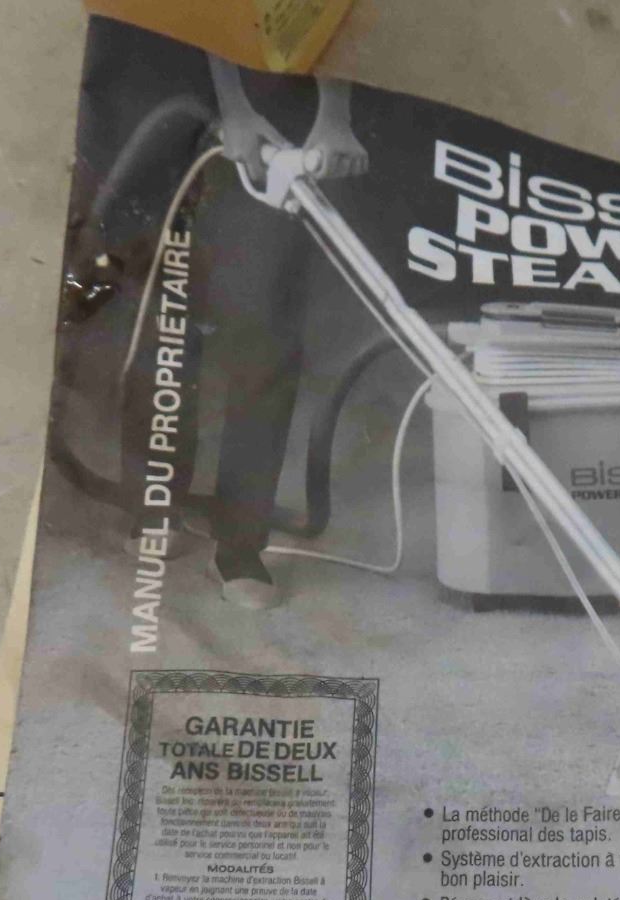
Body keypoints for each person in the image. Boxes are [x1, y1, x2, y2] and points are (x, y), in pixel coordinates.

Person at [193, 57, 368, 609]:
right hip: (184, 81)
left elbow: (344, 21)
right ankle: (150, 503)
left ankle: (239, 542)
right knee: (165, 301)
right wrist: (232, 108)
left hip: (284, 99)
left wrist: (334, 113)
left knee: (267, 325)